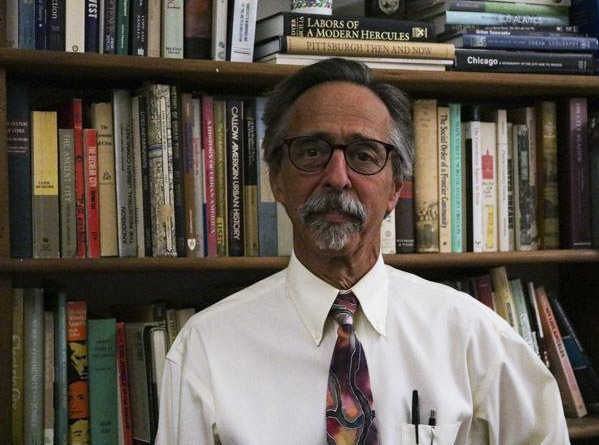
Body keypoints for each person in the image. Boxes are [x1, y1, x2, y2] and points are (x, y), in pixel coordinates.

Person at [156, 58, 569, 444]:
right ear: (276, 181)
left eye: (363, 155)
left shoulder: (474, 338)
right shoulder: (205, 349)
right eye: (312, 152)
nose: (337, 178)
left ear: (395, 188)